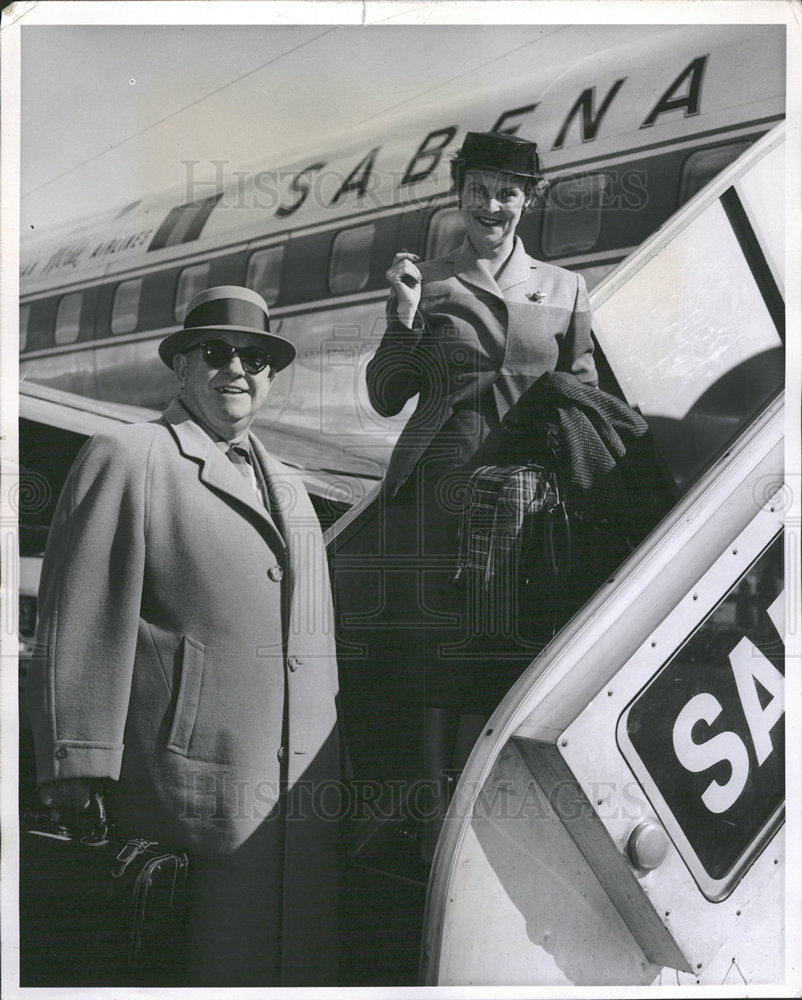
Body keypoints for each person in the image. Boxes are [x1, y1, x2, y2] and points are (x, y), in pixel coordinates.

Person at [26, 285, 343, 986]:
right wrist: (77, 763)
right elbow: (83, 611)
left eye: (256, 357)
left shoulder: (290, 486)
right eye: (218, 352)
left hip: (295, 805)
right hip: (191, 797)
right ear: (183, 366)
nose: (239, 369)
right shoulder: (132, 455)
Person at [363, 131, 599, 852]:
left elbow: (583, 393)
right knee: (436, 654)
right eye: (478, 190)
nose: (490, 205)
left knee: (502, 645)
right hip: (438, 490)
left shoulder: (566, 289)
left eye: (506, 192)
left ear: (528, 199)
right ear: (459, 195)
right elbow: (384, 396)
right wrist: (402, 319)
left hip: (524, 499)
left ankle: (474, 809)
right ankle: (434, 813)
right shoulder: (427, 282)